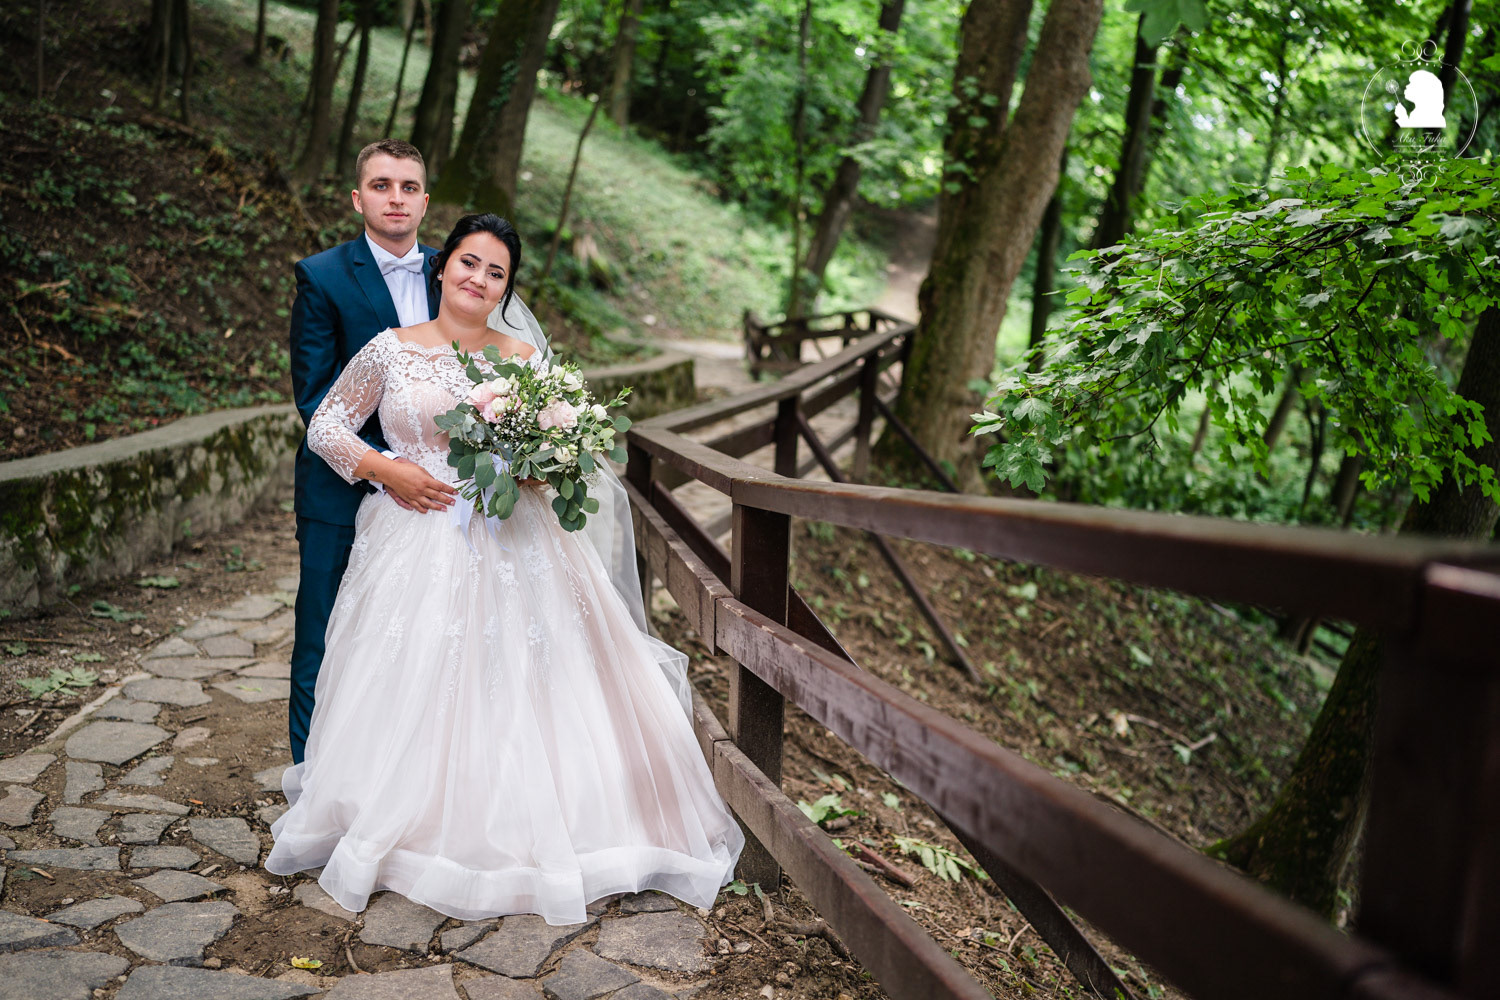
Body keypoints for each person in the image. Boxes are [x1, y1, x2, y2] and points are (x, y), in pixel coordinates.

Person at [264, 214, 744, 924]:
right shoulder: (389, 350)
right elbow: (326, 424)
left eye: (496, 273)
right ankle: (404, 813)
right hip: (413, 532)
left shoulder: (522, 357)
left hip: (515, 537)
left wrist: (538, 468)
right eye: (469, 262)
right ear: (442, 267)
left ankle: (550, 818)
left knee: (529, 673)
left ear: (506, 289)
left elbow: (563, 451)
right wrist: (386, 469)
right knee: (413, 673)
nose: (479, 280)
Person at [288, 139, 545, 766]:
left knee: (461, 652)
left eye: (408, 188)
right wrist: (392, 469)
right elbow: (317, 400)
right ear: (358, 198)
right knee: (329, 636)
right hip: (350, 488)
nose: (396, 199)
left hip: (470, 508)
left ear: (425, 202)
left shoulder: (461, 266)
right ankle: (317, 775)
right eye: (381, 186)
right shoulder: (322, 276)